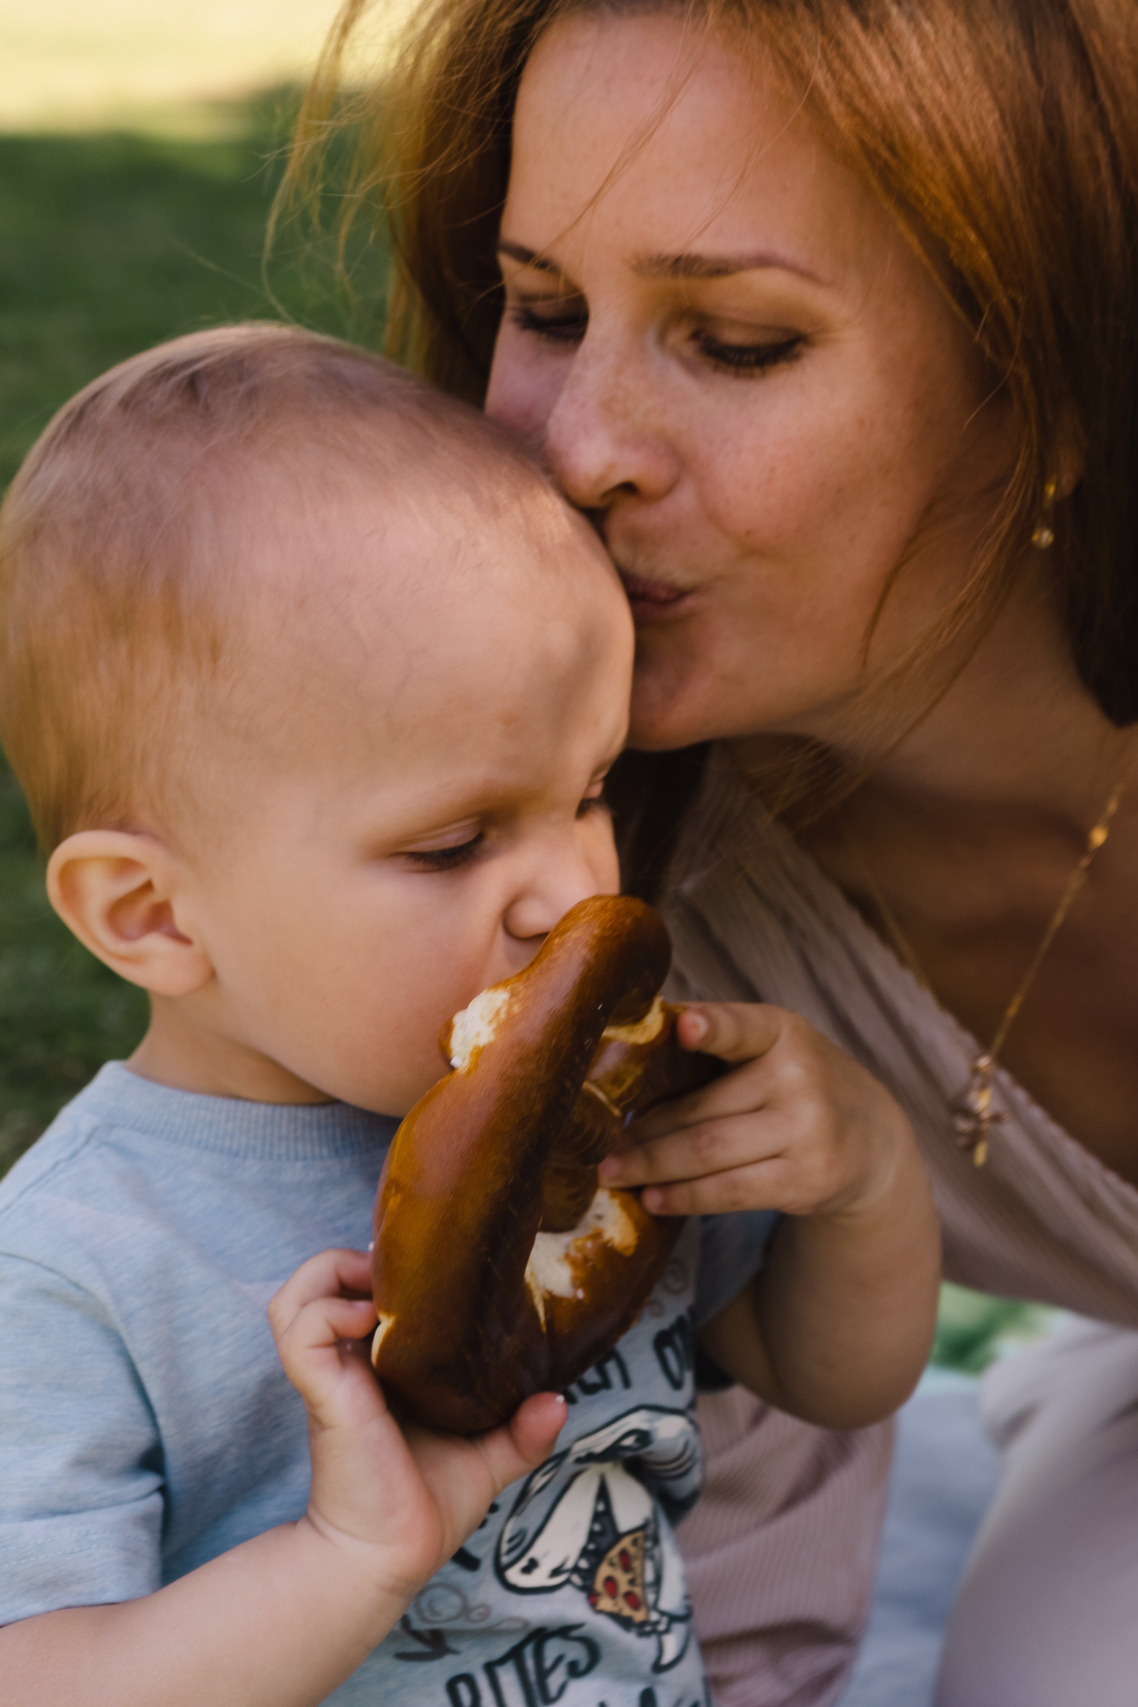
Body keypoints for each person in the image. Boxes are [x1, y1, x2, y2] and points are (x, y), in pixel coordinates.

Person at [285, 0, 1138, 1702]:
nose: (578, 449)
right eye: (538, 311)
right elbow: (670, 1461)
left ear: (1054, 378)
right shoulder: (592, 873)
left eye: (737, 341)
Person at [0, 324, 939, 1707]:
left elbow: (832, 1379)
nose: (565, 889)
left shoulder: (607, 1137)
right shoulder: (83, 1268)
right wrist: (343, 1559)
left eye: (588, 792)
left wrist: (863, 1179)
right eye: (450, 844)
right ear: (153, 915)